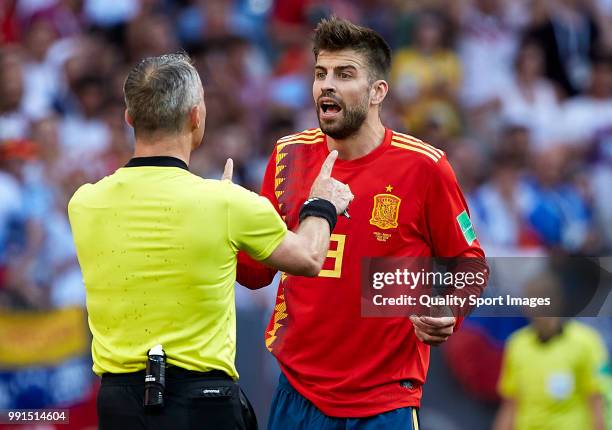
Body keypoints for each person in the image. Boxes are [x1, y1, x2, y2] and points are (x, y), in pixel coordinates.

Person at [67, 52, 353, 430]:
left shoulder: (84, 202)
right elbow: (310, 257)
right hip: (203, 404)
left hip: (119, 406)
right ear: (195, 116)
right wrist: (322, 203)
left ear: (130, 118)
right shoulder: (227, 204)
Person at [236, 17, 488, 429]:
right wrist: (229, 228)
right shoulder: (289, 155)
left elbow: (470, 263)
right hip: (297, 390)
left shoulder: (424, 167)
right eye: (321, 74)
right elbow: (258, 272)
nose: (327, 85)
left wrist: (449, 309)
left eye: (344, 74)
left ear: (377, 92)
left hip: (385, 397)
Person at [493, 271, 607, 430]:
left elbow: (597, 401)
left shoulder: (586, 342)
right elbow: (511, 403)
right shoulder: (517, 344)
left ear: (558, 301)